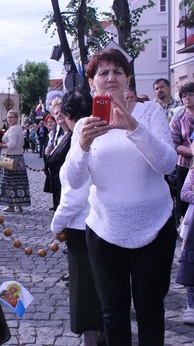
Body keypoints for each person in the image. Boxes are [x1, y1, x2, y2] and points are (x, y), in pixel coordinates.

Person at [64, 48, 177, 345]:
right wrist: (84, 145)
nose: (110, 77)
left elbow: (167, 164)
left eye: (117, 71)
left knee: (150, 309)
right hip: (105, 229)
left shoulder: (149, 112)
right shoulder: (86, 125)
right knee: (113, 312)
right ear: (92, 83)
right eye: (103, 72)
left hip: (154, 226)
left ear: (128, 78)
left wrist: (132, 126)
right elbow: (74, 180)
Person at [50, 89, 104, 345]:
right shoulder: (104, 128)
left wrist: (57, 223)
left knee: (86, 291)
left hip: (83, 228)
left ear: (70, 116)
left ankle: (92, 340)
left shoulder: (80, 136)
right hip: (104, 223)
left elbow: (75, 193)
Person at [0, 110, 31, 212]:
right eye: (8, 117)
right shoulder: (18, 128)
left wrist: (2, 145)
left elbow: (12, 144)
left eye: (11, 117)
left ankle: (10, 206)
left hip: (11, 158)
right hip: (19, 157)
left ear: (16, 118)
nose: (9, 119)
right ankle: (18, 204)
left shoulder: (13, 129)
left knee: (8, 182)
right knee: (18, 182)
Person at [170, 79, 194, 229]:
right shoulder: (178, 117)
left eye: (190, 94)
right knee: (184, 202)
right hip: (185, 166)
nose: (187, 98)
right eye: (183, 95)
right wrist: (193, 152)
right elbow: (175, 143)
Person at [44, 96, 72, 211]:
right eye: (56, 113)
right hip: (57, 188)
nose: (59, 115)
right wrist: (48, 154)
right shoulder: (60, 137)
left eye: (61, 111)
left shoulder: (72, 135)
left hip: (67, 189)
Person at [178, 151, 194, 325]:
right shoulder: (193, 171)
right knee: (190, 265)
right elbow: (184, 193)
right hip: (191, 228)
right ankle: (191, 305)